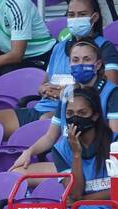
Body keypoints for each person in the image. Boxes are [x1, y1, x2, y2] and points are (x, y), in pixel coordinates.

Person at [0, 0, 118, 140]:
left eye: (81, 14)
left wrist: (68, 93)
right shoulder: (59, 47)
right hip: (41, 108)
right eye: (71, 15)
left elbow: (110, 88)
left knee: (44, 123)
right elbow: (44, 83)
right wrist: (43, 89)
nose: (75, 19)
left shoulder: (105, 48)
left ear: (94, 17)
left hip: (71, 113)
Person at [11, 39, 118, 170]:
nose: (80, 64)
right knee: (18, 172)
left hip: (100, 160)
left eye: (87, 59)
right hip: (69, 159)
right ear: (70, 64)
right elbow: (50, 137)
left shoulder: (112, 93)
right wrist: (29, 152)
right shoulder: (67, 93)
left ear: (98, 64)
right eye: (75, 60)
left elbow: (114, 137)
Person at [22, 84, 114, 209]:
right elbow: (74, 194)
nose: (75, 118)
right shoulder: (61, 149)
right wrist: (76, 155)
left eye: (82, 113)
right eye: (70, 113)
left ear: (95, 115)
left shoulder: (114, 143)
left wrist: (84, 199)